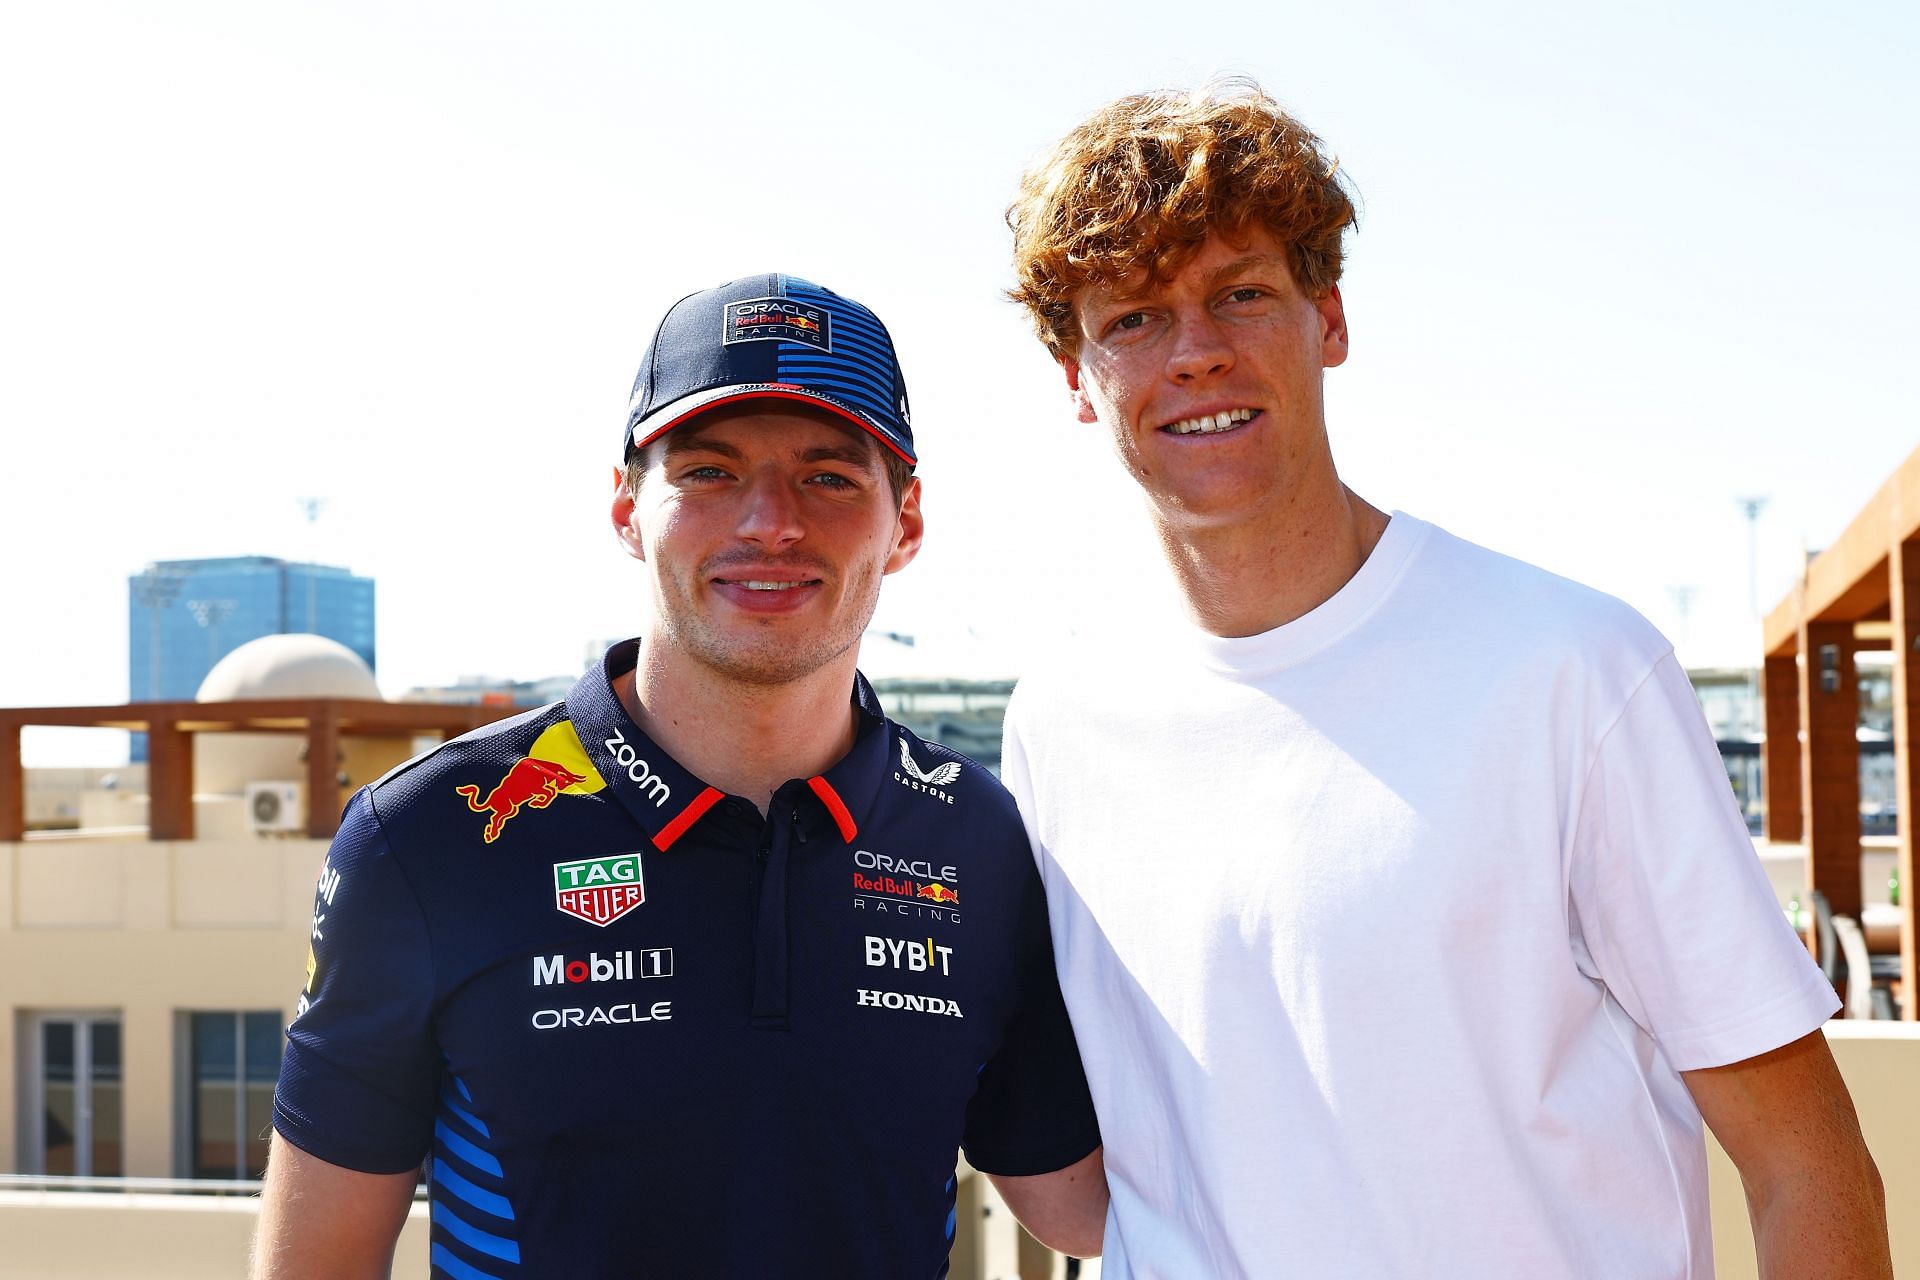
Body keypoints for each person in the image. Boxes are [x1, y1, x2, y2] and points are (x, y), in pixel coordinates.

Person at [999, 83, 1890, 1278]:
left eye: (1240, 294)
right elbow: (1119, 1172)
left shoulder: (1571, 670)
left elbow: (1809, 1167)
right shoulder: (1060, 724)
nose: (1196, 350)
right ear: (1077, 376)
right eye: (1134, 320)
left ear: (1331, 318)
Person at [254, 273, 1104, 1279]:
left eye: (829, 476)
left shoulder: (979, 837)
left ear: (905, 522)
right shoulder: (432, 833)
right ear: (627, 508)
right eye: (707, 472)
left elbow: (1085, 1208)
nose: (769, 521)